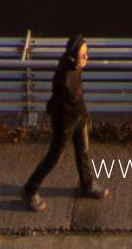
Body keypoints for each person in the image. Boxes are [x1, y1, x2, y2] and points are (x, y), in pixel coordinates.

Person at [20, 35, 103, 210]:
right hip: (65, 121)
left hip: (79, 115)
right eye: (83, 55)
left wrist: (83, 114)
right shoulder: (63, 77)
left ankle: (86, 184)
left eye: (87, 53)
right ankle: (30, 189)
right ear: (73, 58)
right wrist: (60, 120)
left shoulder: (75, 65)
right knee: (54, 157)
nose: (87, 58)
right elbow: (56, 103)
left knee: (83, 150)